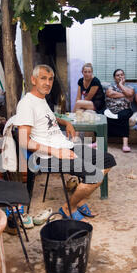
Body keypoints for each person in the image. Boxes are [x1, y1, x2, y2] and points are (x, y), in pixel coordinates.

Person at [15, 64, 116, 221]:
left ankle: (79, 199)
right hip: (46, 156)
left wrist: (65, 123)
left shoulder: (41, 100)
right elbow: (23, 141)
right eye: (43, 78)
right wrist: (56, 152)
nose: (48, 83)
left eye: (50, 79)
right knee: (94, 175)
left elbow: (49, 118)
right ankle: (68, 208)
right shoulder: (27, 104)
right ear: (33, 80)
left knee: (108, 160)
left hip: (65, 147)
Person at [104, 69, 134, 152]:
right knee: (101, 117)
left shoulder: (130, 87)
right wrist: (125, 95)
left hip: (125, 109)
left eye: (122, 75)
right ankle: (98, 142)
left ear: (124, 76)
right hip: (111, 109)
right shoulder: (110, 87)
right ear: (114, 78)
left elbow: (130, 94)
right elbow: (110, 94)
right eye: (118, 75)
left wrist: (121, 85)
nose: (120, 76)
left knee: (123, 117)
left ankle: (125, 144)